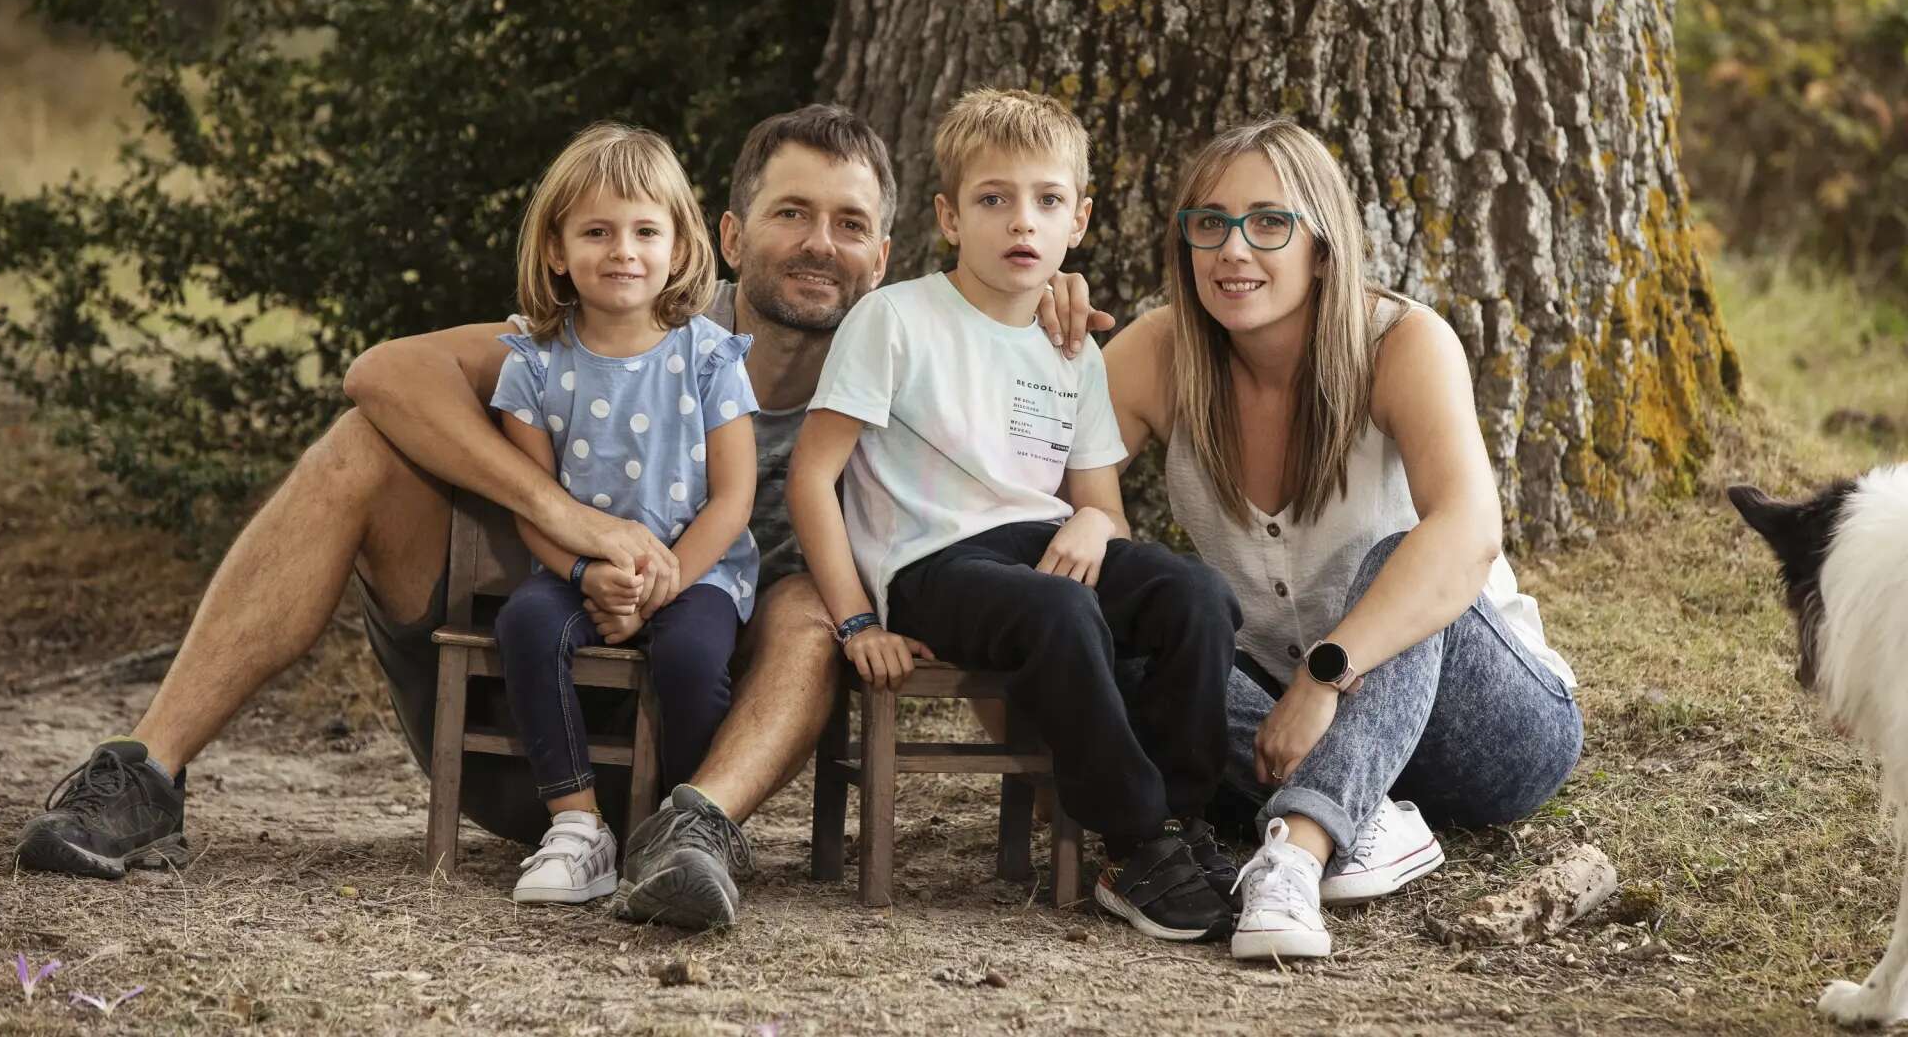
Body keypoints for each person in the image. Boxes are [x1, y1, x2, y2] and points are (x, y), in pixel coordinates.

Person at [13, 104, 1110, 929]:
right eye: (789, 214)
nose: (818, 243)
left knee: (809, 600)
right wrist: (564, 517)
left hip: (693, 740)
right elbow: (381, 372)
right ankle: (145, 772)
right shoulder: (636, 320)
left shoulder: (915, 363)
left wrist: (1041, 302)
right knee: (357, 448)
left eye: (848, 224)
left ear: (885, 255)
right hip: (526, 697)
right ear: (726, 235)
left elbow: (1076, 438)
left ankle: (695, 831)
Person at [1098, 116, 1584, 961]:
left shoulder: (1402, 341)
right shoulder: (1155, 354)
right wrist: (1043, 335)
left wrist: (1327, 677)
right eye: (1208, 223)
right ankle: (1370, 813)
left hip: (1487, 732)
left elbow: (1468, 534)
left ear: (1322, 246)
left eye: (1269, 223)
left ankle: (1297, 854)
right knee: (1129, 628)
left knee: (1403, 555)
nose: (1233, 250)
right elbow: (1071, 518)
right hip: (1277, 724)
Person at [787, 88, 1242, 943]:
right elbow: (813, 478)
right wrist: (855, 620)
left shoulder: (1072, 347)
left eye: (1047, 200)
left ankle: (1183, 826)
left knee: (1197, 596)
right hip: (932, 566)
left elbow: (1101, 505)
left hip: (1041, 552)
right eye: (993, 199)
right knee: (1061, 608)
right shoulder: (894, 319)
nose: (1020, 222)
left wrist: (1090, 526)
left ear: (1079, 220)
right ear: (949, 217)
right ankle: (1134, 842)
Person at [486, 123, 759, 905]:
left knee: (692, 660)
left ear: (679, 247)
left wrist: (667, 581)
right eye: (596, 232)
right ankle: (577, 828)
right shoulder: (535, 363)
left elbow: (734, 495)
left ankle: (686, 828)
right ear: (555, 248)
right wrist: (581, 568)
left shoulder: (708, 356)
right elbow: (529, 500)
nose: (622, 251)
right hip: (575, 571)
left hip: (698, 567)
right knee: (527, 626)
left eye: (645, 231)